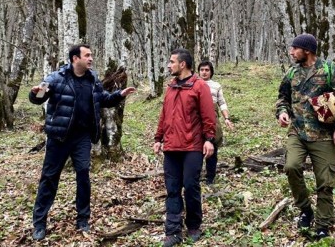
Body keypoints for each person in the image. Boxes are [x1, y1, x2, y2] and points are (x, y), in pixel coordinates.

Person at [29, 44, 136, 241]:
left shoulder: (92, 79)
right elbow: (37, 98)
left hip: (82, 138)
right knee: (49, 178)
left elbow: (103, 99)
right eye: (87, 55)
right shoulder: (56, 78)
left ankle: (83, 218)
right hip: (59, 137)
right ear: (74, 59)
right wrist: (36, 92)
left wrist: (119, 95)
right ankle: (39, 223)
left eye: (91, 55)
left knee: (83, 176)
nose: (91, 58)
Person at [275, 34, 335, 240]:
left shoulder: (329, 69)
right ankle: (305, 209)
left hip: (324, 135)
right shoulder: (292, 73)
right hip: (297, 132)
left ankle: (323, 225)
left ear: (307, 50)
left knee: (325, 182)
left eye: (295, 49)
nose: (291, 52)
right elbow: (283, 97)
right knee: (291, 167)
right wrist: (282, 112)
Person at [153, 48, 217, 247]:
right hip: (171, 147)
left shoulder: (199, 86)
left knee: (190, 186)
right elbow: (164, 114)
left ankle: (194, 225)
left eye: (172, 61)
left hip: (192, 146)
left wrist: (209, 139)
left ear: (183, 64)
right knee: (172, 189)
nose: (169, 65)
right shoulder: (171, 86)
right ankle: (172, 231)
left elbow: (208, 115)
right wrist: (158, 137)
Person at [198, 60, 234, 185]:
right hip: (196, 121)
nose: (204, 72)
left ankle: (210, 177)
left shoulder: (216, 85)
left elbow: (222, 103)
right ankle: (195, 174)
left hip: (213, 119)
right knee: (196, 148)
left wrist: (227, 119)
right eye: (202, 70)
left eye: (207, 70)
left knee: (212, 146)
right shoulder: (194, 84)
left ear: (211, 72)